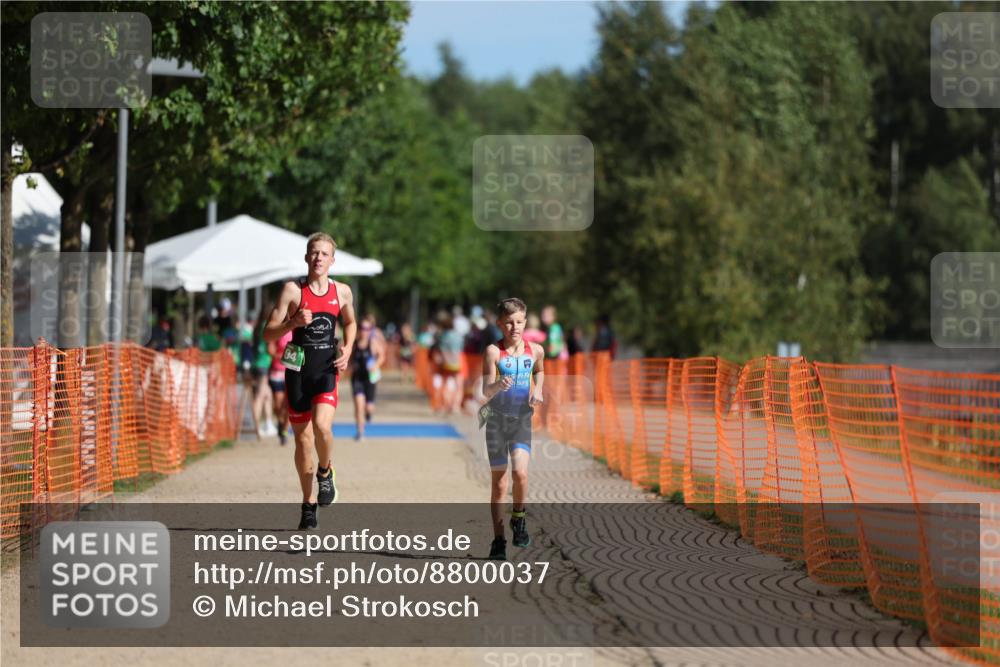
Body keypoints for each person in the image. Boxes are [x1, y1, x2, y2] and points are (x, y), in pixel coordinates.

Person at [264, 232, 356, 530]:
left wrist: (348, 348)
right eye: (314, 252)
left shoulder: (342, 291)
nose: (319, 258)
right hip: (297, 371)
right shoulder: (292, 291)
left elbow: (350, 322)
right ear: (306, 257)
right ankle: (308, 504)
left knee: (322, 426)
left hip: (326, 368)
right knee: (303, 441)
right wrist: (292, 323)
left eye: (324, 253)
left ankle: (325, 472)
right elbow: (268, 333)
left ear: (332, 260)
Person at [480, 298, 544, 561]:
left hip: (520, 420)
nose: (514, 327)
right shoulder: (493, 352)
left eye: (519, 322)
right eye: (508, 322)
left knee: (520, 473)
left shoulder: (535, 350)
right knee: (499, 483)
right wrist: (498, 385)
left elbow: (539, 371)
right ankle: (498, 541)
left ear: (525, 322)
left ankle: (518, 517)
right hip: (496, 422)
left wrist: (538, 390)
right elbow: (485, 390)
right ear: (499, 324)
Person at [351, 318, 386, 441]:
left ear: (370, 330)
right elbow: (348, 358)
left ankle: (369, 413)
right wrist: (349, 366)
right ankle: (360, 432)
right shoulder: (354, 343)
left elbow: (382, 356)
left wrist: (375, 365)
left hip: (370, 379)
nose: (364, 331)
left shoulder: (373, 343)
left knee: (368, 407)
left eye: (367, 329)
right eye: (362, 328)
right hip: (357, 378)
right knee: (358, 405)